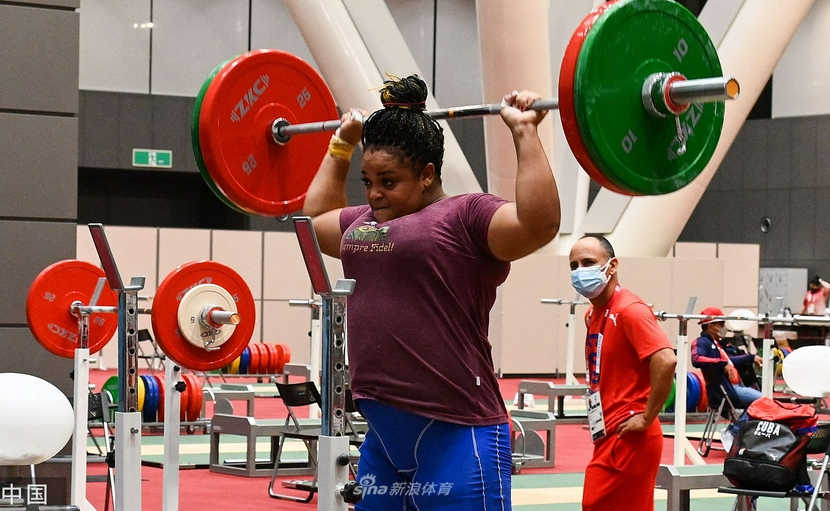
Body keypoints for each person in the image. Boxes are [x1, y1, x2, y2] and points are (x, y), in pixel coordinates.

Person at [303, 75, 560, 511]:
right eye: (367, 181)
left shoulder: (464, 215)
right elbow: (312, 224)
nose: (374, 193)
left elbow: (538, 225)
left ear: (426, 175)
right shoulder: (362, 219)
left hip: (458, 432)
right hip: (384, 436)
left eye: (388, 180)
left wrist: (524, 132)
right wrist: (341, 145)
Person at [569, 234, 676, 511]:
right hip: (609, 432)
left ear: (612, 265)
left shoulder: (631, 310)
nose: (580, 271)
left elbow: (666, 360)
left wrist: (647, 416)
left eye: (589, 262)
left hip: (631, 435)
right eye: (574, 265)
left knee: (596, 504)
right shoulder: (593, 315)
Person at [691, 307, 763, 408]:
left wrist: (751, 357)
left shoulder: (717, 343)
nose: (724, 327)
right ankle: (744, 422)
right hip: (726, 391)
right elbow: (696, 359)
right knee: (765, 401)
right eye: (721, 324)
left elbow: (729, 361)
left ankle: (744, 422)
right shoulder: (702, 342)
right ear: (711, 327)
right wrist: (722, 363)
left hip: (731, 388)